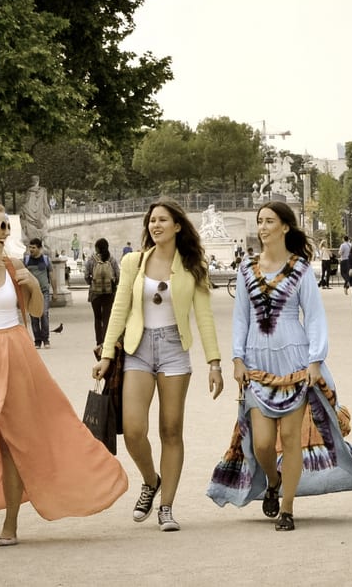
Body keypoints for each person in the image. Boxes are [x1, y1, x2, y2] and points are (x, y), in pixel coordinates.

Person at [0, 201, 127, 547]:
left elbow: (35, 312)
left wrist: (32, 281)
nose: (7, 233)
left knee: (12, 441)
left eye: (7, 227)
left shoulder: (13, 265)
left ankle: (11, 523)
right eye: (0, 227)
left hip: (16, 353)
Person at [207, 201, 352, 531]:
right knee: (263, 443)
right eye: (260, 221)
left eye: (269, 221)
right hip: (256, 362)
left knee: (292, 438)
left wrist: (315, 360)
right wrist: (236, 358)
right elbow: (241, 318)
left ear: (285, 227)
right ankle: (272, 479)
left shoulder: (300, 269)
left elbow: (314, 318)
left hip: (295, 361)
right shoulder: (244, 270)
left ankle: (287, 508)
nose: (263, 227)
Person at [91, 200, 223, 532]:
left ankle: (167, 507)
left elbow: (204, 316)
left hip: (174, 349)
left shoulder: (193, 265)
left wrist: (214, 362)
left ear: (178, 226)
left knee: (171, 429)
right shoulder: (134, 262)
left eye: (163, 220)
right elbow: (119, 310)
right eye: (152, 220)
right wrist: (107, 355)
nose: (155, 225)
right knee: (134, 430)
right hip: (138, 348)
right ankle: (151, 481)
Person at [84, 238, 120, 345]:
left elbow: (86, 276)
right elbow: (118, 276)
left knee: (97, 318)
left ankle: (98, 341)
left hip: (95, 294)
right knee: (106, 318)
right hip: (109, 294)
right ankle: (106, 340)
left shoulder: (91, 260)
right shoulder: (112, 260)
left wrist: (92, 283)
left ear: (97, 248)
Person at [23, 238, 52, 349]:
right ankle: (37, 341)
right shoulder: (26, 261)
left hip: (44, 291)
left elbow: (52, 275)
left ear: (39, 248)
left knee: (44, 314)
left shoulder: (45, 260)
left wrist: (54, 291)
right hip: (31, 292)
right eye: (30, 247)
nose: (31, 249)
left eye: (33, 247)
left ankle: (46, 339)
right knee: (34, 316)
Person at [20, 175, 51, 245]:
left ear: (32, 182)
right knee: (44, 238)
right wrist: (47, 214)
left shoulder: (28, 192)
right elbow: (46, 204)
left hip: (30, 219)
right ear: (38, 181)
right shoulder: (43, 191)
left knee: (31, 242)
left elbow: (24, 206)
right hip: (40, 219)